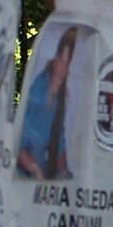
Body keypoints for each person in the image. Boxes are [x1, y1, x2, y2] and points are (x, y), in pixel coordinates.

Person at [16, 28, 78, 179]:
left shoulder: (60, 100)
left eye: (67, 63)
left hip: (42, 178)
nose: (63, 69)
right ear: (54, 59)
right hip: (22, 177)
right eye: (61, 59)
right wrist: (35, 170)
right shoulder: (37, 91)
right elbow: (18, 144)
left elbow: (59, 143)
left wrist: (63, 172)